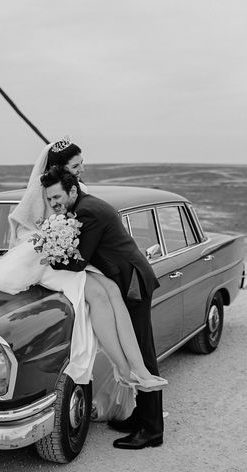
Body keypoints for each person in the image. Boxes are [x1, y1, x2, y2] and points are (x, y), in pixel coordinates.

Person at [0, 140, 166, 415]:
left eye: (81, 165)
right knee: (100, 295)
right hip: (45, 260)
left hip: (71, 257)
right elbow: (22, 229)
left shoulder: (77, 192)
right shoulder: (43, 192)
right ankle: (125, 370)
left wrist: (63, 242)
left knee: (112, 291)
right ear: (59, 168)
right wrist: (49, 241)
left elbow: (80, 235)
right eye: (76, 166)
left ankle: (138, 370)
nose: (81, 170)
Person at [40, 165, 164, 450]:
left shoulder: (88, 211)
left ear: (73, 191)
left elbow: (79, 261)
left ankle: (152, 430)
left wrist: (51, 256)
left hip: (131, 283)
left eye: (57, 197)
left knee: (143, 353)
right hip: (122, 279)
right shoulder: (83, 205)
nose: (54, 204)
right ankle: (139, 417)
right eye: (50, 200)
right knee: (136, 349)